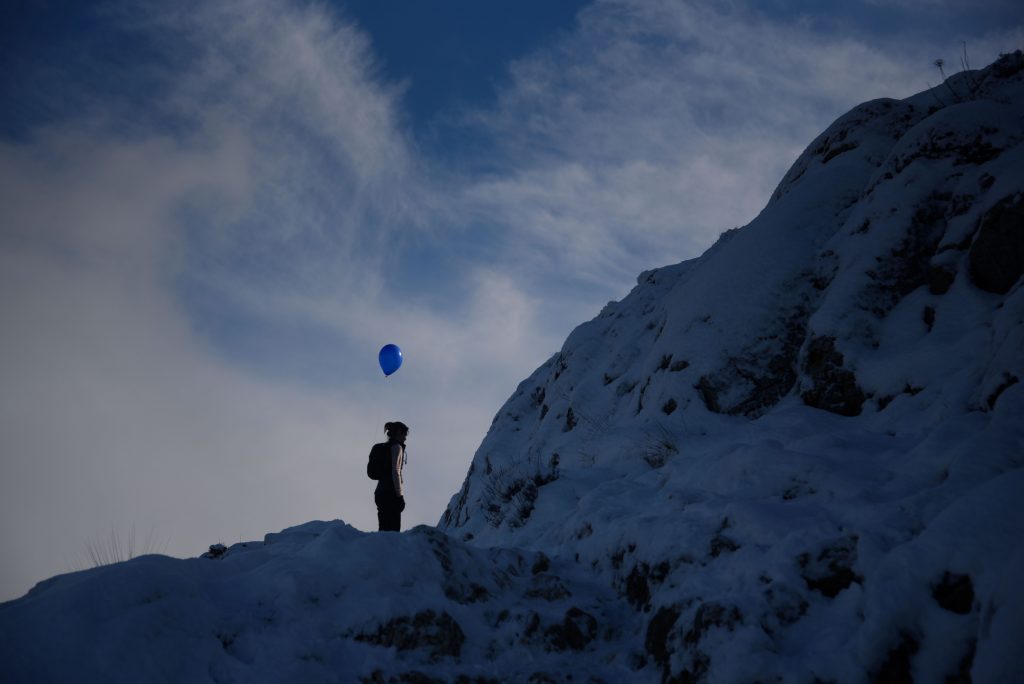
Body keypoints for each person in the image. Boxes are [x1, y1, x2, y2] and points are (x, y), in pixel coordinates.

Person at [375, 421, 408, 532]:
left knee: (383, 530)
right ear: (399, 432)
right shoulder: (397, 447)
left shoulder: (385, 447)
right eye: (404, 434)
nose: (405, 438)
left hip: (380, 492)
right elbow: (396, 471)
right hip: (391, 495)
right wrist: (400, 496)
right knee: (393, 533)